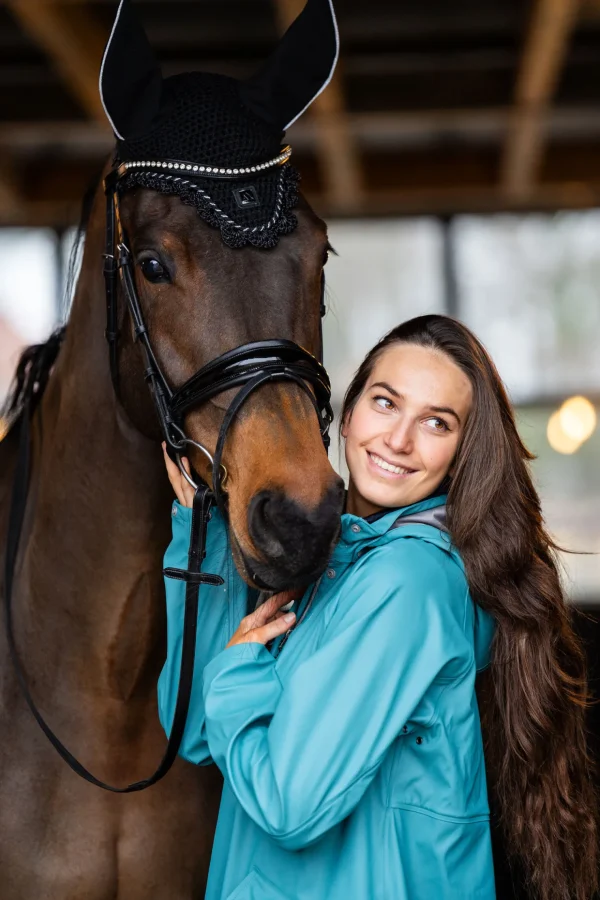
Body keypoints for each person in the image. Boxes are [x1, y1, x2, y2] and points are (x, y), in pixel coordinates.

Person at [158, 314, 597, 900]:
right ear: (346, 413)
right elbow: (195, 733)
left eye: (435, 423)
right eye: (386, 403)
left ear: (463, 453)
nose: (398, 440)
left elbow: (289, 807)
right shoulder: (333, 564)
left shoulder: (408, 579)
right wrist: (207, 535)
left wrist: (240, 670)